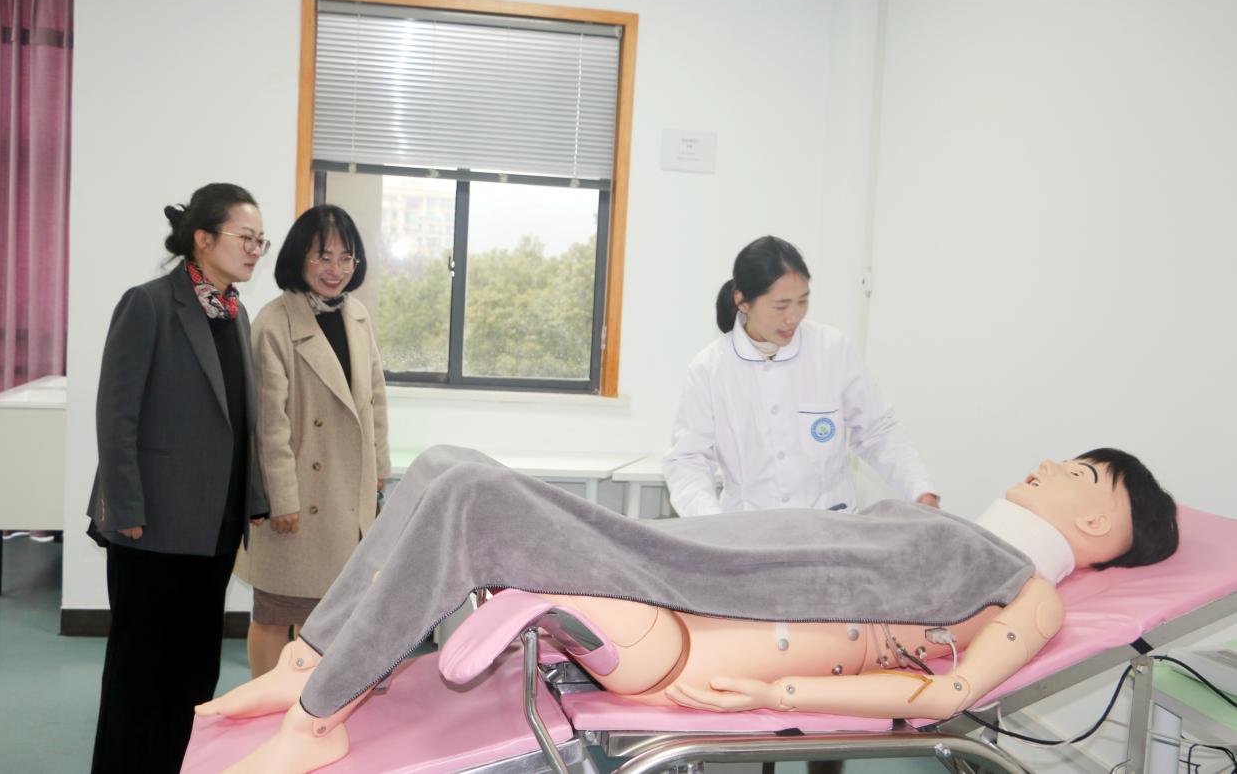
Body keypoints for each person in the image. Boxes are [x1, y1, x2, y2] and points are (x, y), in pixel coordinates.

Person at [196, 445, 1178, 773]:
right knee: (447, 466)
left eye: (1079, 470)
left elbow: (944, 698)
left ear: (1101, 516)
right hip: (692, 565)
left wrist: (775, 693)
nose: (1049, 464)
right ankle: (313, 659)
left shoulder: (1027, 586)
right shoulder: (946, 526)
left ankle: (319, 717)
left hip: (693, 617)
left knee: (471, 498)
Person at [86, 183, 271, 773]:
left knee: (195, 671)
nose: (255, 249)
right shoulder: (149, 305)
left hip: (214, 526)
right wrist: (125, 508)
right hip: (152, 525)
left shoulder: (234, 313)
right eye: (246, 238)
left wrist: (253, 498)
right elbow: (116, 415)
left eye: (260, 241)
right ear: (203, 239)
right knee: (138, 671)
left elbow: (241, 419)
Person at [664, 236, 939, 516]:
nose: (793, 317)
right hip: (749, 527)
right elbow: (688, 461)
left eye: (802, 301)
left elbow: (877, 431)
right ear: (742, 301)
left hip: (831, 524)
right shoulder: (710, 368)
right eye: (781, 306)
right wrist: (713, 522)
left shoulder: (831, 349)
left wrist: (920, 489)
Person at [234, 204, 390, 678]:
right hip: (297, 496)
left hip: (347, 492)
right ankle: (264, 701)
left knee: (327, 614)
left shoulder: (357, 316)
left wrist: (378, 473)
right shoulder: (274, 323)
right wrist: (282, 499)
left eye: (346, 258)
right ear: (299, 257)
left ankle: (308, 704)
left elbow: (375, 400)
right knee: (274, 612)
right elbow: (269, 424)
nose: (335, 270)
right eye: (323, 257)